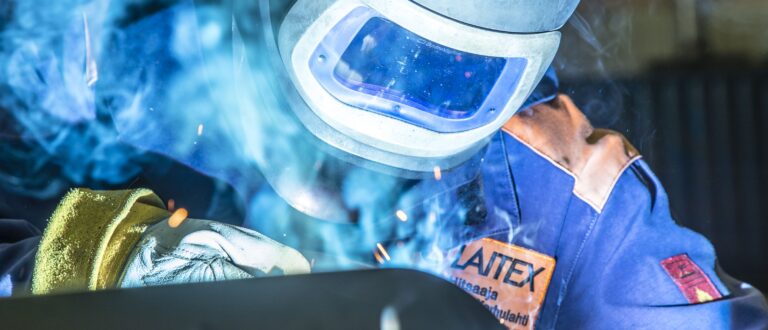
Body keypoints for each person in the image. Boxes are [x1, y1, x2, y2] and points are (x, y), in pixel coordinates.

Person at [1, 0, 767, 328]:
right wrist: (93, 266)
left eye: (455, 81)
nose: (401, 97)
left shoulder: (565, 196)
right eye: (372, 58)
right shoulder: (109, 87)